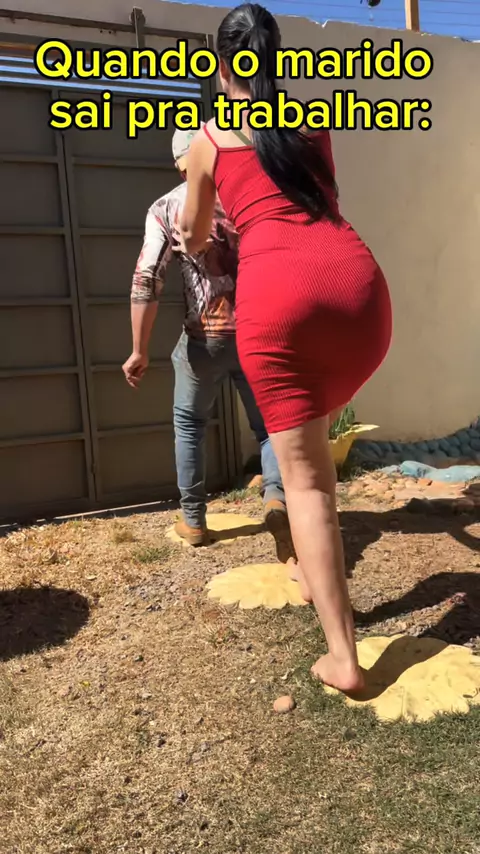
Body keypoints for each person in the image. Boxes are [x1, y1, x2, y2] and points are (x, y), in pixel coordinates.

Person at [177, 3, 392, 692]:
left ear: (221, 65)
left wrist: (197, 228)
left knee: (305, 483)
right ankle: (311, 568)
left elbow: (194, 233)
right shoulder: (311, 120)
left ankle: (343, 658)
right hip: (360, 293)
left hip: (279, 305)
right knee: (314, 450)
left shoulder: (208, 141)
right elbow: (320, 199)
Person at [122, 125, 290, 552]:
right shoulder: (253, 196)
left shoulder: (166, 207)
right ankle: (276, 499)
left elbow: (147, 278)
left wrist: (139, 349)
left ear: (181, 164)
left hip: (205, 338)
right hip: (259, 333)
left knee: (190, 425)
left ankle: (194, 521)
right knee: (269, 427)